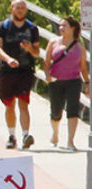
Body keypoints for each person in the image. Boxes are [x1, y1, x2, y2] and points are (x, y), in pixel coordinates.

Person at [0, 0, 41, 149]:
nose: (20, 10)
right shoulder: (3, 26)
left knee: (23, 103)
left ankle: (26, 135)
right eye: (17, 7)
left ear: (26, 10)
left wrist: (29, 49)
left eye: (23, 8)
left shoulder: (32, 28)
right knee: (9, 104)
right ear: (12, 8)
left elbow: (37, 52)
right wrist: (8, 59)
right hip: (7, 70)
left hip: (25, 70)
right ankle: (11, 135)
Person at [44, 16, 87, 151]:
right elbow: (46, 62)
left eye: (65, 26)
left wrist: (87, 83)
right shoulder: (53, 42)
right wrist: (47, 75)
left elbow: (83, 68)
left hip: (73, 81)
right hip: (56, 80)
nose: (61, 28)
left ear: (73, 28)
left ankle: (70, 141)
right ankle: (55, 134)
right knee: (56, 111)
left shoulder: (80, 47)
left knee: (73, 110)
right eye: (60, 26)